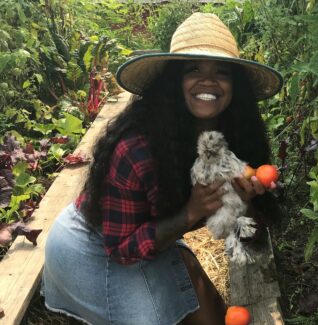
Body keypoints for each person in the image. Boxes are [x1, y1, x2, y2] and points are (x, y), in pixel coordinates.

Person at [41, 12, 283, 325]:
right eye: (193, 69)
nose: (208, 80)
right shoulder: (136, 149)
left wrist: (246, 200)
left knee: (214, 318)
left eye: (221, 72)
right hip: (93, 244)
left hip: (151, 232)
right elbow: (123, 247)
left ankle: (175, 261)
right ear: (174, 81)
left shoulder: (232, 140)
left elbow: (248, 236)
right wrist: (192, 212)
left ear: (234, 86)